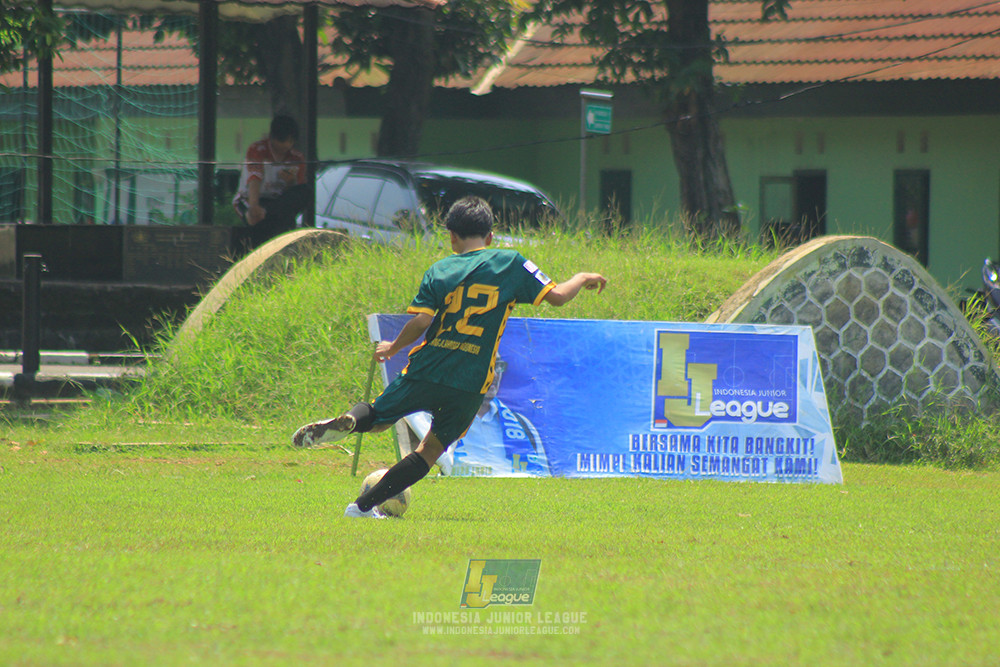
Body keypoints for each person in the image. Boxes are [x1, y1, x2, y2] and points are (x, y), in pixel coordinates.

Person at [291, 195, 607, 518]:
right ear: (491, 237)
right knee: (429, 452)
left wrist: (393, 347)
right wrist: (582, 277)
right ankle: (360, 508)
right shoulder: (512, 263)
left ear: (452, 237)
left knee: (375, 419)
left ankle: (351, 421)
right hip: (470, 381)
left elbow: (422, 321)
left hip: (429, 368)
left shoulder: (439, 270)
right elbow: (556, 297)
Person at [232, 114, 308, 253]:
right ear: (272, 138)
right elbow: (254, 179)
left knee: (304, 192)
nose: (286, 146)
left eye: (290, 142)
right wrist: (254, 206)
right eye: (282, 141)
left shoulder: (297, 157)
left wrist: (290, 182)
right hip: (254, 199)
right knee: (259, 221)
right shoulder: (258, 150)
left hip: (276, 204)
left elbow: (295, 193)